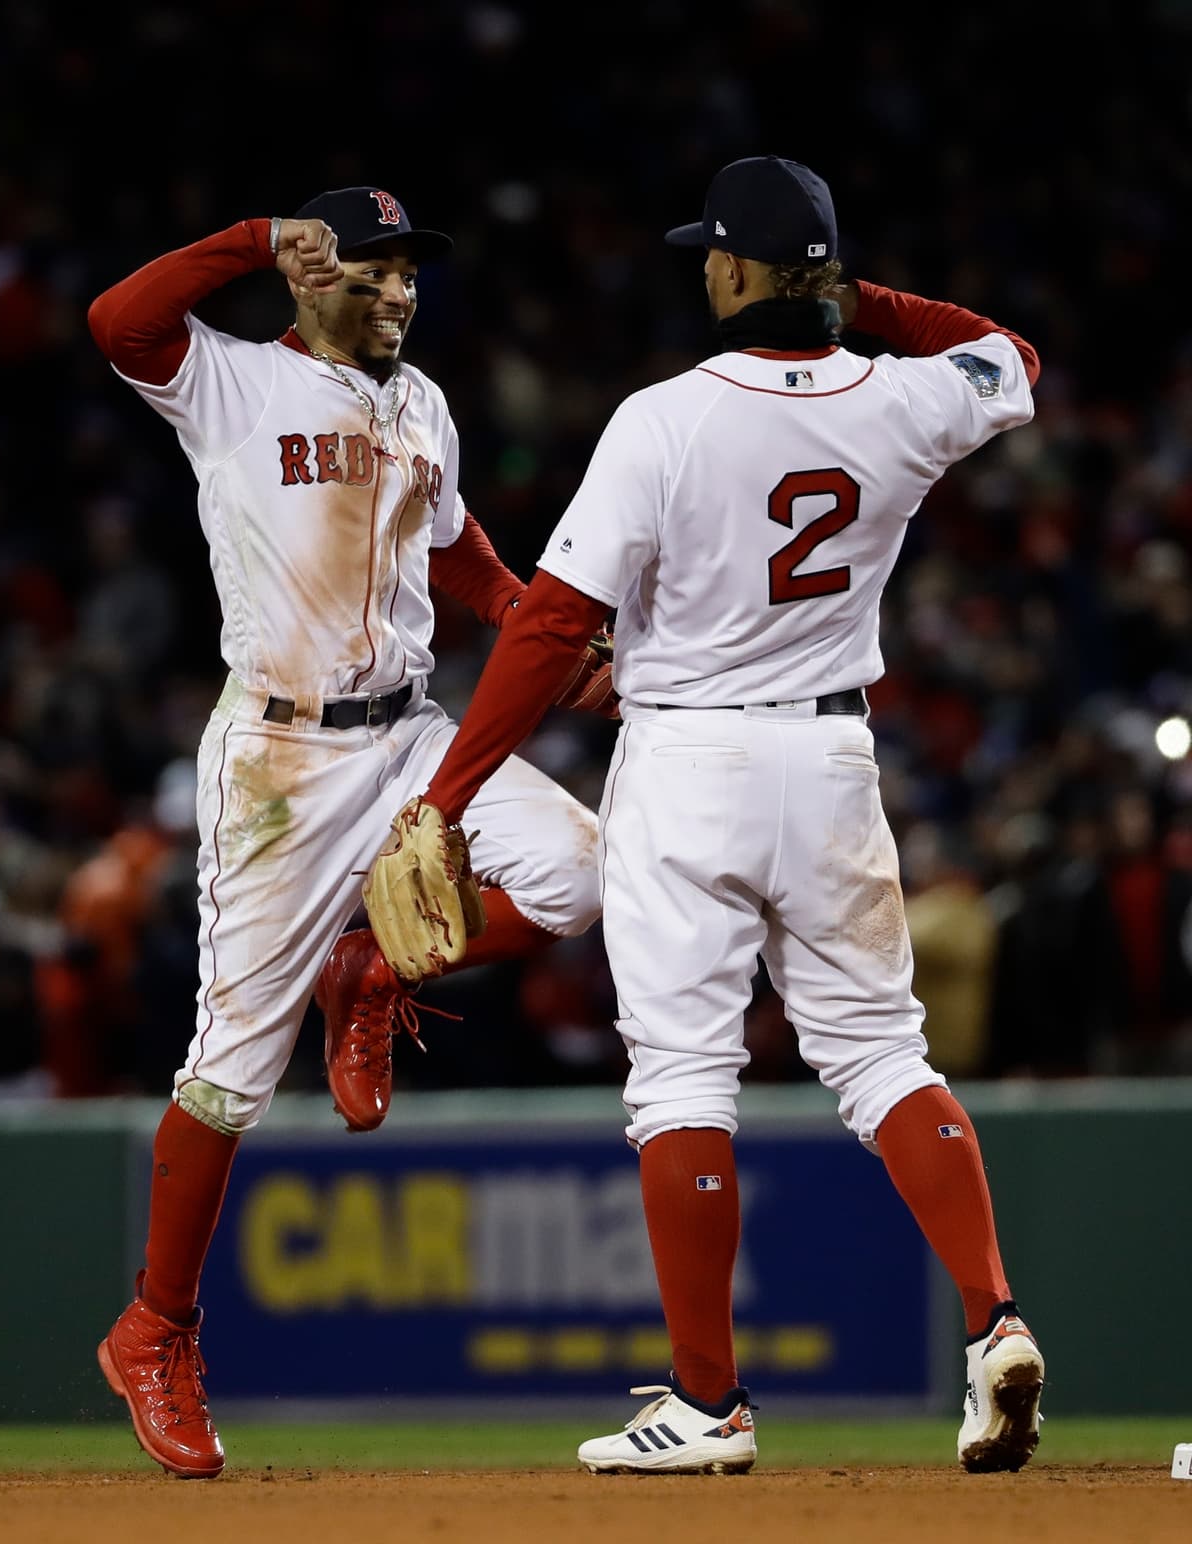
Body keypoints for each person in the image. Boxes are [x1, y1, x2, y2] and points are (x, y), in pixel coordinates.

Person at [379, 155, 1047, 1475]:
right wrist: (868, 305)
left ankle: (708, 1402)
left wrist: (448, 796)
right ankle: (996, 1323)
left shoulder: (666, 419)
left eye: (713, 251)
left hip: (685, 767)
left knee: (682, 1078)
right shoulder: (908, 398)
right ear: (830, 280)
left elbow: (557, 622)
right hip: (832, 763)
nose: (701, 265)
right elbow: (1012, 356)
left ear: (737, 271)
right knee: (879, 1057)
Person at [85, 185, 607, 1477]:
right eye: (371, 273)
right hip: (279, 755)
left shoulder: (420, 403)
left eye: (408, 275)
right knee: (232, 1071)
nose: (398, 293)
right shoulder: (231, 382)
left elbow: (462, 558)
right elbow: (117, 320)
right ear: (311, 276)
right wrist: (249, 239)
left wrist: (551, 626)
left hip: (406, 729)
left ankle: (371, 963)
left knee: (584, 876)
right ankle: (154, 1329)